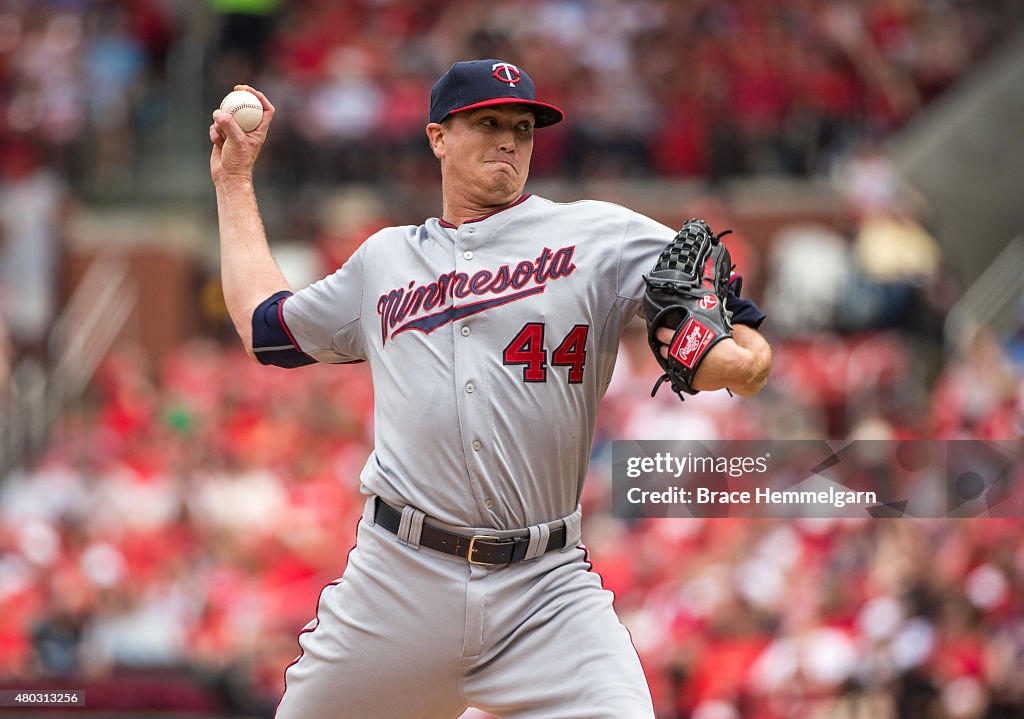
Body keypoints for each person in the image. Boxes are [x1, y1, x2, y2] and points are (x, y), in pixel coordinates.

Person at [209, 59, 771, 719]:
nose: (508, 139)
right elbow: (264, 327)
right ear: (438, 136)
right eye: (487, 122)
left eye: (521, 127)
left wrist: (741, 359)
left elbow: (726, 321)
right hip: (400, 580)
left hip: (546, 587)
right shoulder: (385, 260)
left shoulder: (599, 236)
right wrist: (234, 179)